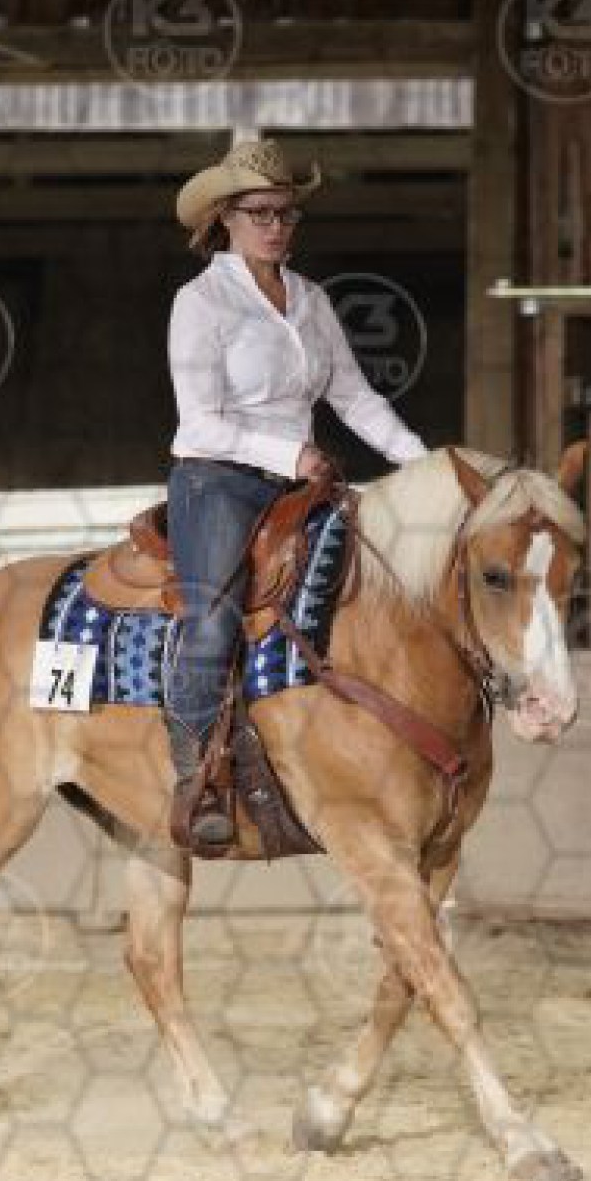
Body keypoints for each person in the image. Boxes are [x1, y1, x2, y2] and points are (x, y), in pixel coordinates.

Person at [163, 138, 429, 847]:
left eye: (286, 213)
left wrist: (425, 465)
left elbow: (356, 399)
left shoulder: (311, 299)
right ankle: (198, 779)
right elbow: (200, 421)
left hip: (298, 488)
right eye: (260, 213)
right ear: (225, 217)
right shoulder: (200, 302)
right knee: (213, 620)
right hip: (217, 481)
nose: (276, 226)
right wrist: (291, 452)